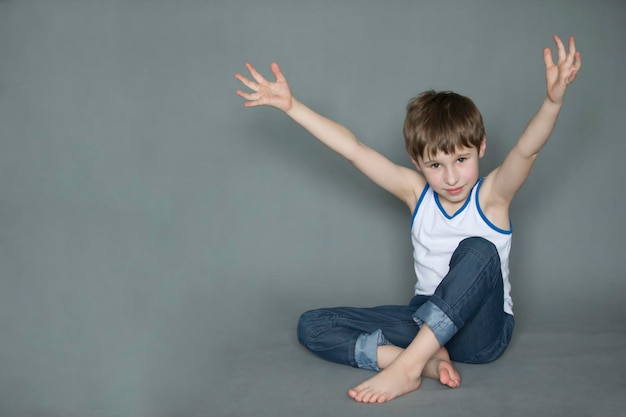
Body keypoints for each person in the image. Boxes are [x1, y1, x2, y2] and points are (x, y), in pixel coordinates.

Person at [234, 35, 581, 404]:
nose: (451, 178)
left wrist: (553, 100)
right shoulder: (416, 193)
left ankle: (405, 367)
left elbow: (528, 148)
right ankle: (422, 362)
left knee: (479, 250)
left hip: (482, 334)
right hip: (423, 320)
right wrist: (292, 107)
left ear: (481, 147)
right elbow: (354, 150)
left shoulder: (493, 196)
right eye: (436, 165)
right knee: (313, 325)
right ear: (418, 163)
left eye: (461, 161)